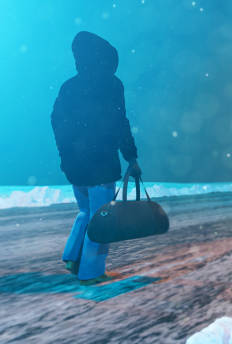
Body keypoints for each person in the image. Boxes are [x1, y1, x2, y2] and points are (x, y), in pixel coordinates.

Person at [51, 31, 141, 285]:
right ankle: (91, 272)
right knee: (101, 218)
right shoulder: (112, 85)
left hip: (75, 164)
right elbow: (121, 122)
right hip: (101, 162)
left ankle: (72, 257)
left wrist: (65, 154)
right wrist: (131, 157)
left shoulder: (69, 86)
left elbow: (57, 121)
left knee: (85, 211)